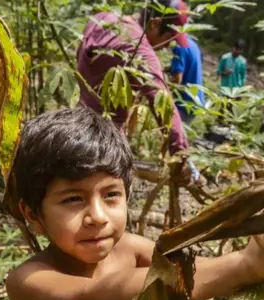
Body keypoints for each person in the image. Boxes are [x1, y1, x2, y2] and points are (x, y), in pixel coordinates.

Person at [5, 107, 264, 300]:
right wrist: (247, 266)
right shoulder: (27, 282)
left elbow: (196, 274)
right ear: (32, 215)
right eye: (73, 200)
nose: (98, 217)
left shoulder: (132, 249)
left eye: (111, 195)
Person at [76, 0, 202, 184]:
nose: (168, 45)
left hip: (77, 125)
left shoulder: (102, 18)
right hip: (106, 144)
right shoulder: (139, 48)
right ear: (155, 23)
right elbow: (163, 103)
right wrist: (180, 153)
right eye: (169, 37)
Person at [167, 35, 205, 125]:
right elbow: (187, 66)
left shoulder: (179, 46)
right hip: (196, 99)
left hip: (185, 102)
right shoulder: (191, 43)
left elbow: (177, 80)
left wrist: (161, 84)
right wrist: (167, 69)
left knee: (172, 134)